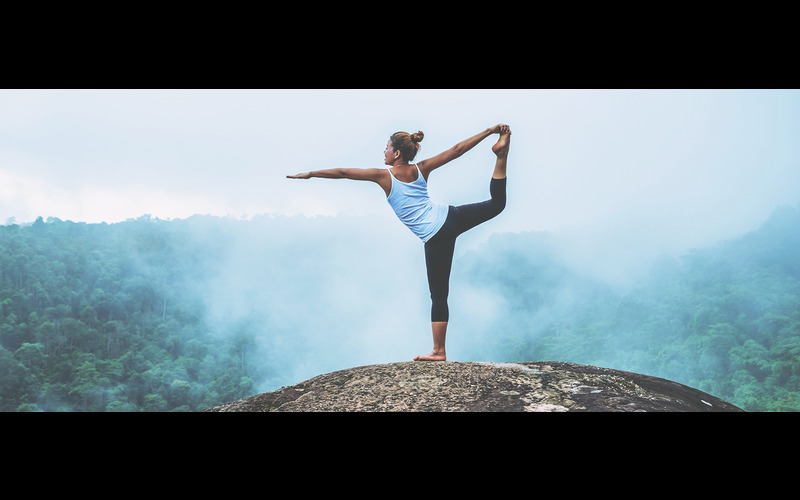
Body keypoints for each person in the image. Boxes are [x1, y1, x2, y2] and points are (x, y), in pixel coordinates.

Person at [287, 124, 511, 361]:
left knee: (438, 295)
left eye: (386, 148)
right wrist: (489, 131)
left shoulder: (383, 176)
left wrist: (310, 174)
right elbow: (456, 151)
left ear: (396, 154)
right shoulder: (421, 168)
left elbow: (344, 172)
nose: (383, 152)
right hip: (451, 216)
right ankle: (501, 155)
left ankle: (438, 351)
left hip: (436, 235)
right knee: (497, 204)